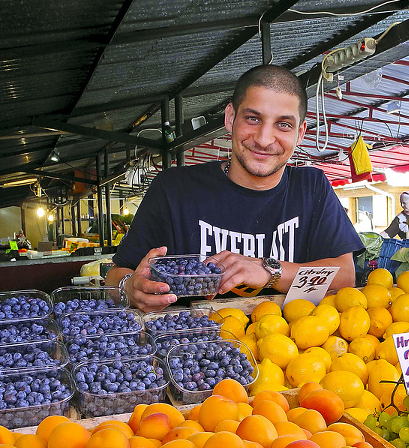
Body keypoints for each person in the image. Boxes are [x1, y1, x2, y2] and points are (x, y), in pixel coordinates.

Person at [105, 64, 363, 311]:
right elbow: (115, 277)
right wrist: (130, 288)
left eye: (283, 124)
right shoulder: (174, 189)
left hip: (294, 347)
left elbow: (345, 276)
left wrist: (268, 270)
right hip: (192, 347)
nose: (264, 139)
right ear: (230, 118)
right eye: (253, 118)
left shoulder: (312, 188)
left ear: (300, 132)